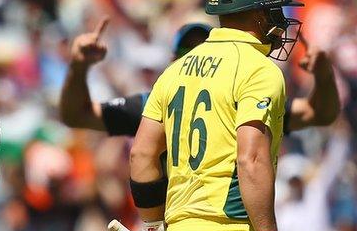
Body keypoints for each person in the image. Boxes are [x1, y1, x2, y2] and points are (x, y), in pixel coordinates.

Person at [130, 0, 313, 231]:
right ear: (260, 14)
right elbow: (251, 158)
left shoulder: (174, 70)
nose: (283, 22)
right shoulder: (260, 70)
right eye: (278, 12)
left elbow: (141, 155)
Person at [60, 21, 338, 138]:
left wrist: (324, 76)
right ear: (171, 62)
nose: (197, 58)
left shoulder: (248, 103)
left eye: (206, 49)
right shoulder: (153, 108)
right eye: (187, 51)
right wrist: (78, 67)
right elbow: (77, 116)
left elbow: (319, 114)